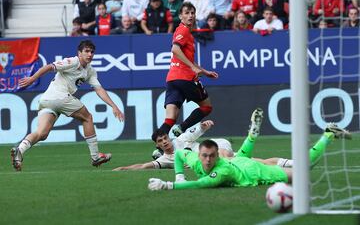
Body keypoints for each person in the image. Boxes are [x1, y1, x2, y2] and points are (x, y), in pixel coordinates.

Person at [11, 40, 125, 171]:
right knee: (87, 118)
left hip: (46, 100)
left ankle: (20, 150)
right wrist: (32, 79)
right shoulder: (73, 61)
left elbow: (99, 89)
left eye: (92, 52)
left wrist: (113, 106)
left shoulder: (90, 71)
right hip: (60, 97)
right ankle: (95, 156)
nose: (90, 54)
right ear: (79, 53)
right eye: (86, 51)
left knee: (42, 133)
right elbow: (49, 67)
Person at [148, 122, 352, 190]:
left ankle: (328, 133)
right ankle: (251, 136)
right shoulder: (195, 158)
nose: (208, 160)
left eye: (211, 156)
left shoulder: (221, 170)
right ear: (199, 155)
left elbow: (200, 185)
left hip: (255, 173)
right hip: (239, 161)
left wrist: (169, 185)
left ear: (216, 156)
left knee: (304, 171)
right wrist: (179, 175)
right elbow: (180, 155)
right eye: (204, 156)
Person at [156, 2, 219, 138]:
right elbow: (175, 49)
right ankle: (182, 128)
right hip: (185, 78)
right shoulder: (183, 30)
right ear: (180, 16)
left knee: (170, 118)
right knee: (206, 107)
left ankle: (159, 147)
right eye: (187, 13)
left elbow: (187, 58)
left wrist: (204, 71)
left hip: (172, 79)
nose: (190, 15)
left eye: (192, 13)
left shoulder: (185, 32)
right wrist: (192, 68)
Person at [113, 120, 234, 170]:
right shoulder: (165, 159)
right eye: (160, 141)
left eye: (165, 138)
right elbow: (143, 166)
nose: (164, 141)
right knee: (238, 160)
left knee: (223, 158)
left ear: (169, 138)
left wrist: (204, 125)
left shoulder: (181, 139)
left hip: (216, 145)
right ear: (157, 146)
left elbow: (198, 130)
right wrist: (123, 168)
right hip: (209, 160)